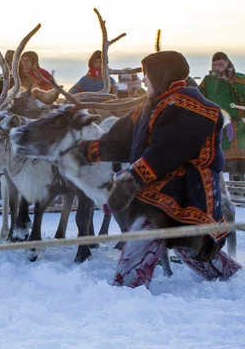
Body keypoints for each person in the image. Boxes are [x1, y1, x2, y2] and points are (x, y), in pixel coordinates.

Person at [78, 50, 241, 289]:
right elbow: (121, 141)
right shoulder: (150, 107)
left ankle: (125, 295)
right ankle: (234, 279)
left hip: (191, 195)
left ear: (161, 75)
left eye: (147, 75)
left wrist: (131, 179)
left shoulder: (194, 106)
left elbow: (168, 150)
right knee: (192, 249)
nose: (143, 80)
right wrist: (84, 150)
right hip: (162, 195)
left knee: (157, 235)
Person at [198, 52, 245, 182]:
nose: (218, 68)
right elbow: (199, 98)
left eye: (221, 64)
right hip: (214, 127)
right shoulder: (208, 81)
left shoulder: (239, 79)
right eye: (214, 65)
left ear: (228, 64)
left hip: (235, 128)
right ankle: (219, 193)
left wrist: (230, 80)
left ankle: (238, 192)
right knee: (215, 163)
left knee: (236, 165)